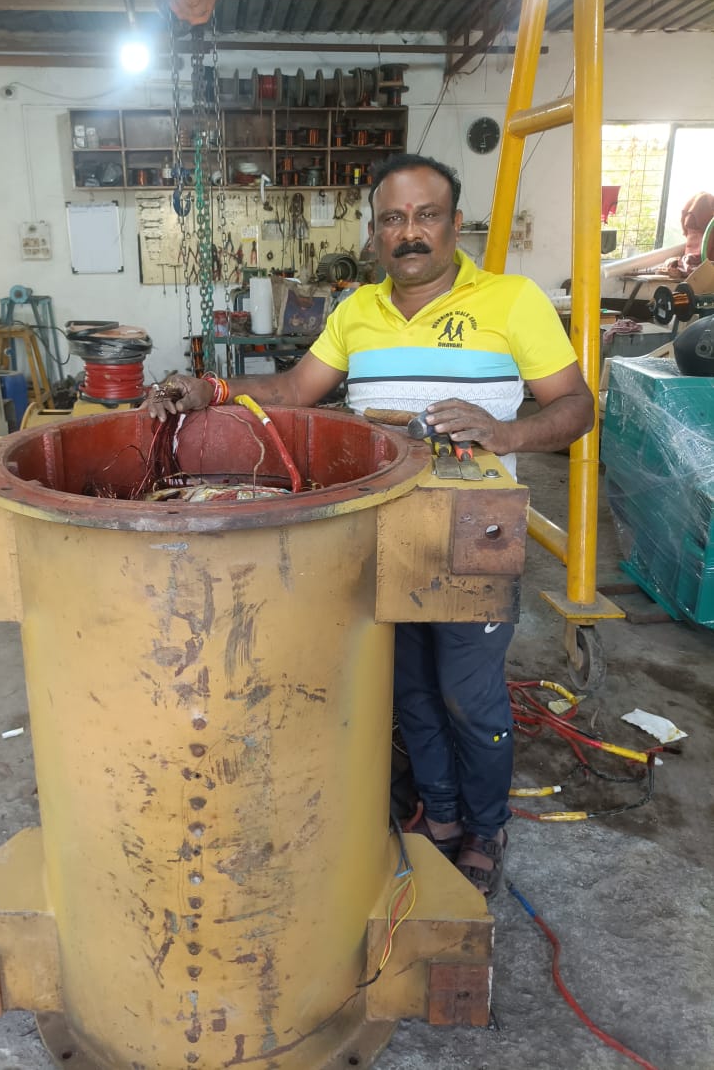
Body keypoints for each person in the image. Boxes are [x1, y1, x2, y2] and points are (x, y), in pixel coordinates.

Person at [146, 153, 594, 897]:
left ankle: (486, 826)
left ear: (454, 224)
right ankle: (440, 814)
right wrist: (210, 388)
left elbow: (576, 407)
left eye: (426, 215)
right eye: (393, 218)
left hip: (470, 538)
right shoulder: (355, 310)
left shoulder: (513, 301)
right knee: (407, 688)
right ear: (375, 232)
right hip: (378, 531)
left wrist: (505, 432)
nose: (409, 232)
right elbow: (295, 388)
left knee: (469, 695)